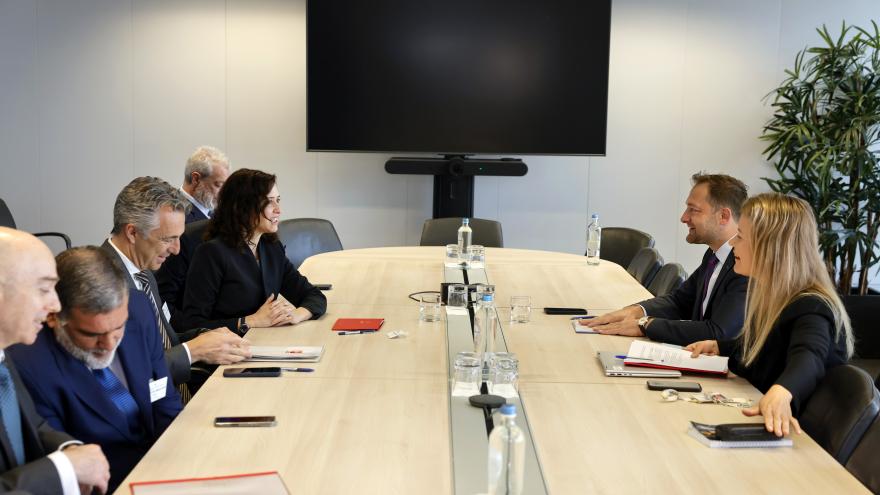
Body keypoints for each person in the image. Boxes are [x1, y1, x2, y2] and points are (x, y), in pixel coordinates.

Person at [7, 246, 183, 492]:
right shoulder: (28, 364)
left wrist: (183, 457)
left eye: (118, 328)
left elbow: (163, 395)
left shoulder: (139, 310)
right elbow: (61, 451)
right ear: (54, 317)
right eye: (93, 334)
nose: (109, 344)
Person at [687, 193, 853, 437]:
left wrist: (783, 391)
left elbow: (809, 355)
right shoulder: (776, 296)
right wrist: (721, 347)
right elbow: (770, 349)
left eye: (740, 236)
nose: (732, 244)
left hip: (798, 440)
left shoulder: (813, 306)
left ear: (770, 246)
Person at [104, 177, 250, 399]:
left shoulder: (145, 274)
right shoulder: (102, 283)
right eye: (168, 239)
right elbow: (127, 373)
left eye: (179, 238)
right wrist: (194, 350)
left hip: (173, 398)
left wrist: (206, 336)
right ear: (132, 233)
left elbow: (163, 342)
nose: (176, 249)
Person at [0, 227, 110, 494]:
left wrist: (69, 449)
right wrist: (62, 468)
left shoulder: (5, 356)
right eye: (44, 288)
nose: (56, 305)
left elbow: (31, 424)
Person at [581, 173, 749, 345]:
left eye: (694, 210)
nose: (684, 217)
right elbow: (680, 302)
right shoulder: (714, 255)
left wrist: (646, 325)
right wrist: (636, 311)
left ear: (723, 216)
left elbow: (718, 333)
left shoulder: (745, 266)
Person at [180, 169, 327, 332]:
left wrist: (296, 315)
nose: (278, 210)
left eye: (278, 200)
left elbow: (314, 296)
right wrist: (249, 321)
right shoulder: (211, 253)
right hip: (226, 350)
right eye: (269, 202)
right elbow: (191, 324)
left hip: (262, 342)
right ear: (244, 206)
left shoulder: (271, 248)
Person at [180, 145, 230, 223]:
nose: (224, 192)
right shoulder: (177, 216)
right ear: (196, 179)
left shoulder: (218, 211)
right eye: (219, 185)